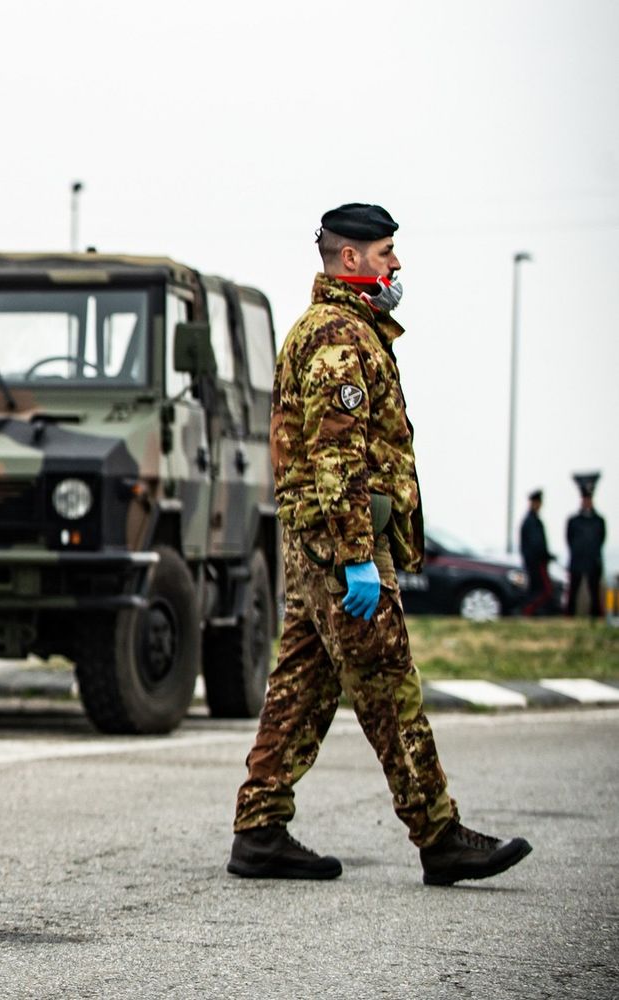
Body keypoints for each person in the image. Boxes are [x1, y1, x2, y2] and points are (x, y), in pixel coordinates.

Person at [227, 203, 531, 886]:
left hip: (317, 544)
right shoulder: (340, 335)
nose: (395, 264)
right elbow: (338, 456)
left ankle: (260, 829)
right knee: (390, 685)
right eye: (386, 252)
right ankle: (439, 834)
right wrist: (359, 555)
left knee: (301, 687)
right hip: (341, 549)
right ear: (350, 259)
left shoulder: (335, 327)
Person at [566, 489, 607, 618]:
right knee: (573, 591)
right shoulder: (574, 521)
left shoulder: (598, 520)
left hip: (593, 561)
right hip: (577, 560)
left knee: (594, 592)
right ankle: (569, 616)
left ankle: (596, 616)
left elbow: (601, 538)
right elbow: (569, 538)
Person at [519, 489, 555, 616]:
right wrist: (546, 555)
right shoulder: (532, 521)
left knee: (535, 589)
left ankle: (529, 610)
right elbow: (536, 544)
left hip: (533, 561)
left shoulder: (531, 520)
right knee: (545, 590)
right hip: (537, 562)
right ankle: (528, 610)